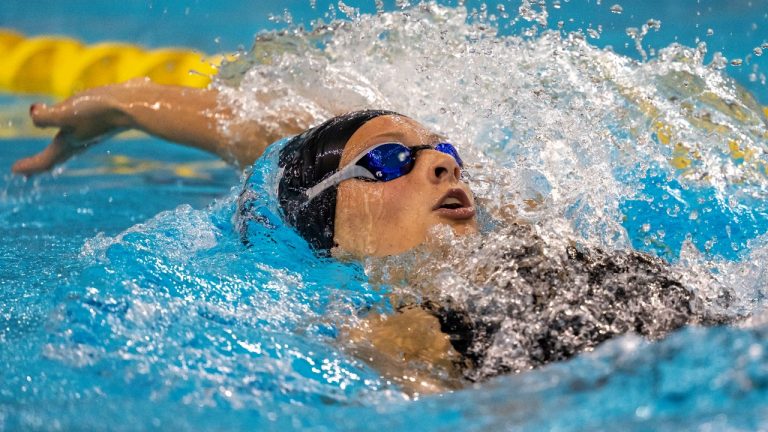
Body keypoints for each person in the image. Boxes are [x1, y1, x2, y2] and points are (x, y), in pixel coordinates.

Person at [13, 78, 732, 394]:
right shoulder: (399, 336)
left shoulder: (524, 240)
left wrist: (131, 103)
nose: (444, 162)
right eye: (392, 161)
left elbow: (271, 133)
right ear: (331, 230)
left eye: (442, 150)